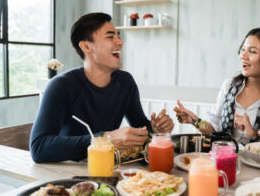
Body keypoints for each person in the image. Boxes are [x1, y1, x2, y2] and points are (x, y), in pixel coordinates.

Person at [30, 13, 174, 163]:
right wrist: (105, 139)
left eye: (118, 36)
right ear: (86, 46)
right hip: (70, 171)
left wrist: (156, 131)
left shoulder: (126, 81)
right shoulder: (60, 86)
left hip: (109, 167)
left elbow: (140, 126)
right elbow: (39, 148)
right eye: (111, 37)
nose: (120, 42)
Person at [174, 27, 260, 143]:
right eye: (243, 49)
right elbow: (214, 129)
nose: (243, 56)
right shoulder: (229, 85)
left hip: (258, 162)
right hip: (225, 157)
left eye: (252, 51)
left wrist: (255, 134)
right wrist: (195, 121)